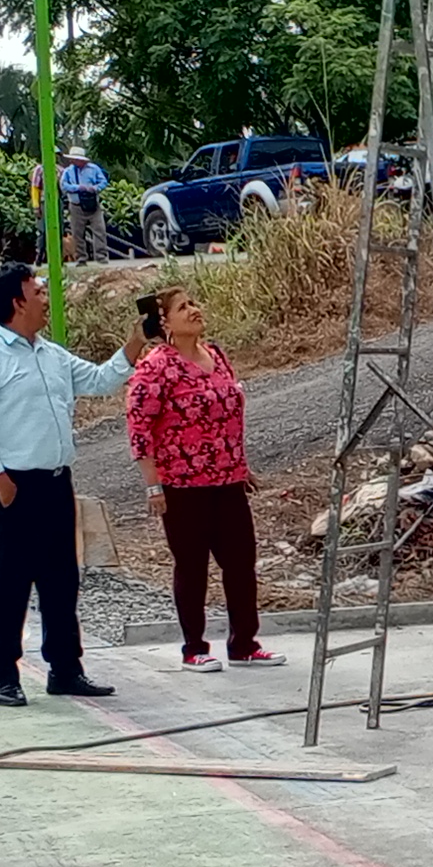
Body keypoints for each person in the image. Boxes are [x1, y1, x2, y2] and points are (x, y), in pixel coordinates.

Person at [0, 258, 130, 707]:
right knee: (10, 582)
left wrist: (135, 344)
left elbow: (99, 379)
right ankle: (3, 674)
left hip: (55, 482)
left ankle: (65, 669)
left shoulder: (51, 354)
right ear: (17, 302)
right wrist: (0, 481)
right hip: (12, 485)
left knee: (61, 579)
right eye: (36, 292)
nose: (44, 299)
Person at [125, 287, 276, 672]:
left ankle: (244, 643)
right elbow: (140, 428)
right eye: (183, 307)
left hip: (227, 480)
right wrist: (153, 485)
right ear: (164, 321)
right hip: (182, 486)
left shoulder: (217, 356)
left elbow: (230, 415)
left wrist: (241, 464)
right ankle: (194, 647)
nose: (194, 310)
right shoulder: (156, 367)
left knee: (241, 563)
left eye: (193, 304)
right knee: (192, 567)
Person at [62, 146, 110, 263]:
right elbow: (64, 185)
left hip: (93, 205)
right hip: (76, 205)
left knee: (99, 230)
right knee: (77, 233)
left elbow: (103, 182)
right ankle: (81, 258)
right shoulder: (68, 171)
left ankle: (101, 256)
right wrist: (78, 188)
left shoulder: (94, 169)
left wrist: (95, 188)